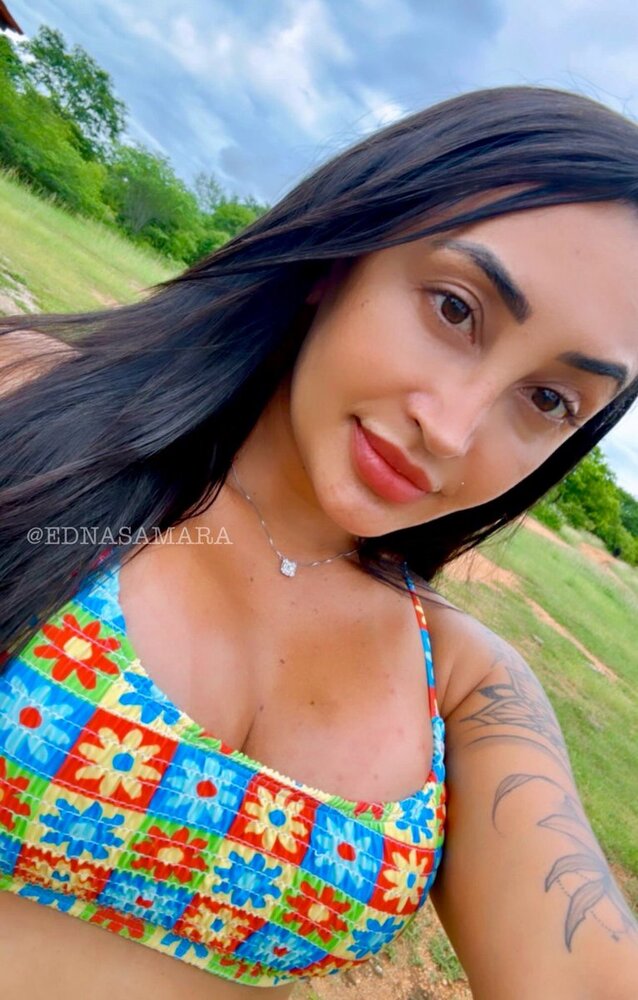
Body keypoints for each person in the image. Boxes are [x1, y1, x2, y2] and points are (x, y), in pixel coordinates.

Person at [0, 84, 637, 1000]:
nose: (451, 429)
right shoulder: (30, 406)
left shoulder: (463, 683)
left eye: (547, 400)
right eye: (455, 309)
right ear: (345, 258)